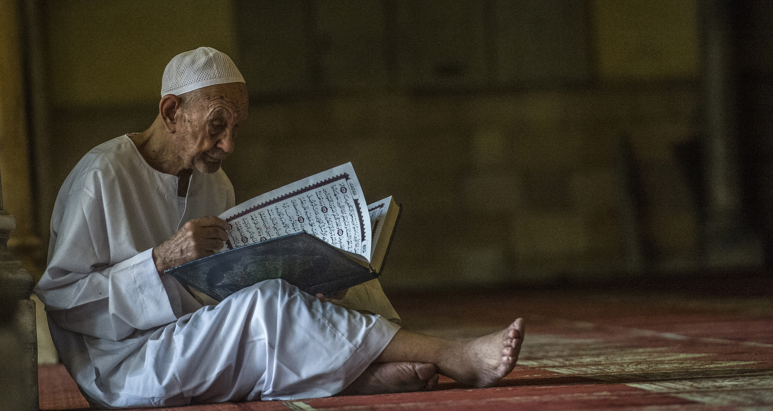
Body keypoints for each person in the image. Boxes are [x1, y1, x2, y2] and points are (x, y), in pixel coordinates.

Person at [35, 47, 524, 408]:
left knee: (336, 289)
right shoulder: (100, 178)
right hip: (124, 366)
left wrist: (306, 279)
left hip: (190, 339)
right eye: (216, 125)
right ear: (171, 113)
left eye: (236, 129)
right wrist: (160, 261)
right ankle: (452, 354)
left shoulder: (215, 184)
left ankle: (357, 377)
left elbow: (218, 297)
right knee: (267, 307)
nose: (227, 146)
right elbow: (62, 303)